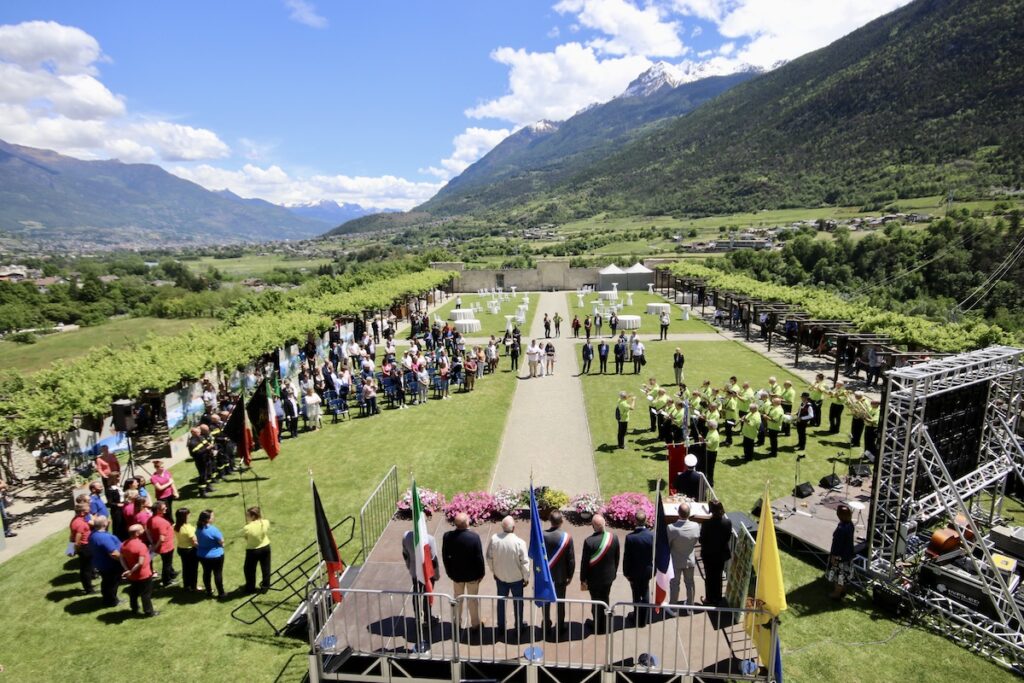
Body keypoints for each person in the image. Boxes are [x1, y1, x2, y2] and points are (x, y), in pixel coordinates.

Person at [486, 516, 530, 640]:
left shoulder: (494, 539)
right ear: (514, 528)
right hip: (516, 580)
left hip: (500, 578)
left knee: (501, 602)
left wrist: (494, 571)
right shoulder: (520, 543)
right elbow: (525, 563)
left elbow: (489, 558)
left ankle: (500, 627)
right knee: (518, 604)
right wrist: (526, 578)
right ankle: (519, 627)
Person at [442, 512, 485, 636]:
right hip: (472, 576)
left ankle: (456, 624)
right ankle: (475, 624)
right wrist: (481, 573)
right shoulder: (474, 538)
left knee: (457, 599)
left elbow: (445, 557)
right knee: (473, 601)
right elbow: (479, 559)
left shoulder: (447, 536)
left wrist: (449, 573)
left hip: (456, 576)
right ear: (466, 523)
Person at [402, 522, 440, 646]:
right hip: (427, 572)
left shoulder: (406, 536)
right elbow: (434, 559)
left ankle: (418, 617)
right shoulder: (429, 539)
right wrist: (436, 574)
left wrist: (409, 567)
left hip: (415, 571)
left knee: (416, 593)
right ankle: (428, 618)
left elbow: (405, 555)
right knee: (426, 594)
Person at [580, 514, 619, 635]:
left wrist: (583, 579)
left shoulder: (589, 541)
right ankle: (604, 624)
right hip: (609, 577)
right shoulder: (614, 538)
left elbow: (584, 563)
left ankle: (597, 626)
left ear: (593, 527)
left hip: (594, 580)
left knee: (596, 603)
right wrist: (614, 572)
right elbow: (617, 558)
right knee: (605, 600)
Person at [543, 510, 575, 638]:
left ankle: (546, 625)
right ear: (561, 521)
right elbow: (571, 559)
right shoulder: (567, 537)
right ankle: (560, 626)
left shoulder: (543, 535)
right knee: (560, 602)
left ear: (550, 521)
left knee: (546, 602)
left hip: (546, 577)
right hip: (561, 577)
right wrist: (570, 575)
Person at [623, 509, 654, 627]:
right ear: (646, 521)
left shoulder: (630, 538)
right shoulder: (652, 536)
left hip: (634, 572)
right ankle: (643, 619)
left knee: (636, 593)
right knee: (645, 591)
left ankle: (637, 618)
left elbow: (627, 557)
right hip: (647, 571)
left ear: (635, 521)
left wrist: (626, 573)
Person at [667, 502, 700, 610]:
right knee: (690, 583)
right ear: (689, 513)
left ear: (678, 513)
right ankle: (690, 605)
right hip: (689, 560)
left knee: (674, 584)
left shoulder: (671, 528)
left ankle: (673, 606)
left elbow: (668, 543)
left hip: (676, 561)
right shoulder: (696, 526)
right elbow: (695, 540)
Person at [121, 524, 158, 617]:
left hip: (132, 576)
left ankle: (134, 608)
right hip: (143, 574)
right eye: (141, 529)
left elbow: (121, 558)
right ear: (137, 533)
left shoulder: (124, 544)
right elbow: (140, 562)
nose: (144, 530)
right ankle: (149, 612)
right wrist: (131, 571)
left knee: (133, 592)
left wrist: (127, 570)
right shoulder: (141, 546)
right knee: (146, 594)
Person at [699, 500, 731, 606]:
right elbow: (727, 538)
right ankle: (717, 598)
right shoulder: (727, 522)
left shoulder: (706, 523)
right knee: (718, 576)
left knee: (709, 577)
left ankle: (709, 599)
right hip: (721, 554)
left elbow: (702, 540)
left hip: (709, 555)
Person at [88, 515, 122, 607]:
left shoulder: (93, 534)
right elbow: (114, 553)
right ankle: (112, 601)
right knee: (111, 584)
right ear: (104, 524)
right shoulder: (104, 538)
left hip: (101, 564)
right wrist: (124, 560)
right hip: (110, 565)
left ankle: (109, 599)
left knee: (107, 582)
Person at [826, 504, 855, 599]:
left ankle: (836, 594)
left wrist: (833, 556)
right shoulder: (850, 525)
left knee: (838, 576)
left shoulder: (841, 529)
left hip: (840, 557)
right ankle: (843, 590)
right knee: (844, 575)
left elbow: (837, 545)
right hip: (848, 554)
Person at [196, 509, 226, 598]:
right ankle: (221, 593)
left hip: (202, 556)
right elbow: (221, 541)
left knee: (206, 573)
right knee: (218, 573)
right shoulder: (213, 530)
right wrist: (223, 544)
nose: (214, 518)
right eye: (212, 516)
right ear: (207, 519)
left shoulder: (198, 528)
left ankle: (208, 591)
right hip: (216, 556)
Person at [147, 501, 178, 587]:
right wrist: (155, 546)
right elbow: (162, 538)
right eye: (164, 508)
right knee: (167, 564)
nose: (166, 509)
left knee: (167, 563)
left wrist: (152, 543)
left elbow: (148, 531)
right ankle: (166, 581)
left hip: (160, 546)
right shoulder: (161, 522)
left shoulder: (151, 519)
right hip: (166, 547)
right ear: (158, 510)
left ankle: (171, 574)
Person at [243, 506, 272, 594]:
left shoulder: (247, 528)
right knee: (266, 568)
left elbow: (246, 538)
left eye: (248, 515)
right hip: (266, 547)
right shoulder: (265, 522)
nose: (247, 517)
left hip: (253, 550)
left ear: (253, 516)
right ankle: (265, 586)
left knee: (249, 570)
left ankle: (250, 587)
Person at [69, 503, 95, 594]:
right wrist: (74, 549)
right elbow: (76, 538)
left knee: (86, 568)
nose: (90, 511)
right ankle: (89, 589)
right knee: (86, 569)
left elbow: (71, 536)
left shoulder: (75, 520)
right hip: (85, 548)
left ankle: (88, 586)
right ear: (82, 512)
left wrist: (70, 549)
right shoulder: (80, 523)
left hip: (84, 547)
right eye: (88, 510)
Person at [174, 507, 200, 593]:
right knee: (193, 569)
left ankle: (187, 585)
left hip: (181, 549)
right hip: (190, 551)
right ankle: (194, 587)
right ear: (184, 516)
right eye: (188, 514)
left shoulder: (175, 526)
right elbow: (194, 542)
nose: (189, 515)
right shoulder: (188, 529)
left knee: (186, 568)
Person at [704, 420, 721, 487]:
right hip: (710, 452)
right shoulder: (712, 431)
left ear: (710, 426)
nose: (707, 425)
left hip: (711, 453)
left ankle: (710, 483)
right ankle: (709, 480)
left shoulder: (713, 435)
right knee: (708, 468)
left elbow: (709, 445)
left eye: (708, 424)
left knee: (710, 469)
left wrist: (703, 440)